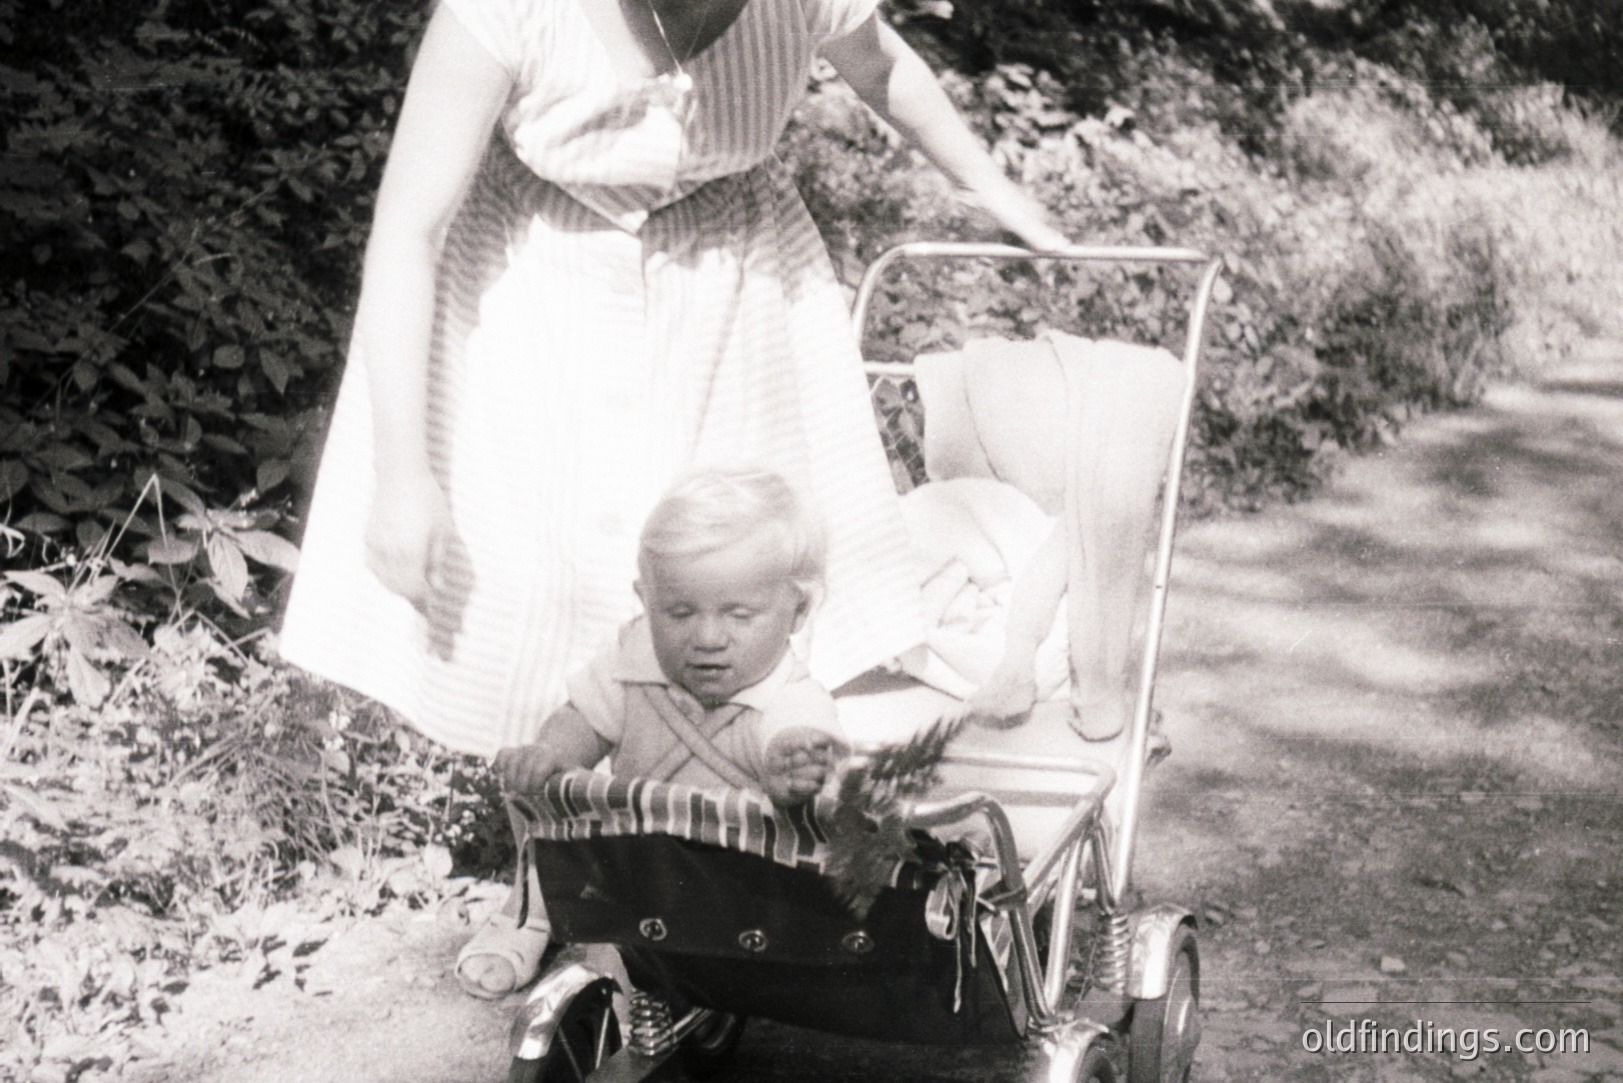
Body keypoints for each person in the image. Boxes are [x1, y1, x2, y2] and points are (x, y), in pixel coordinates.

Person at [277, 0, 1069, 999]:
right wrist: (402, 472)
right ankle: (543, 887)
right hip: (537, 287)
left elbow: (883, 68)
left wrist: (996, 190)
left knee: (718, 593)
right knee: (541, 604)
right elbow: (407, 228)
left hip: (732, 289)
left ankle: (681, 890)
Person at [493, 468, 845, 809]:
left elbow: (806, 745)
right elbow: (582, 720)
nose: (707, 638)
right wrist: (551, 753)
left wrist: (794, 770)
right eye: (680, 613)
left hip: (739, 864)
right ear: (645, 600)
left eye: (738, 615)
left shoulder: (792, 699)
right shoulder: (631, 664)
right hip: (632, 855)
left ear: (798, 611)